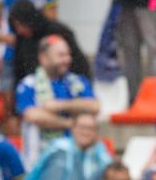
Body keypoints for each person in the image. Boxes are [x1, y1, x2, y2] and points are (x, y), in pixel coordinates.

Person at [15, 35, 98, 168]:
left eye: (68, 55)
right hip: (39, 160)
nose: (67, 59)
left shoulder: (77, 82)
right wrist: (70, 123)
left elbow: (94, 106)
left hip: (74, 160)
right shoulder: (29, 84)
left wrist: (58, 105)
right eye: (61, 55)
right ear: (44, 58)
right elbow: (33, 116)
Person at [7, 0, 88, 84]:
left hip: (63, 84)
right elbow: (19, 71)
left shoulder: (57, 31)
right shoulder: (22, 38)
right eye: (16, 26)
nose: (19, 30)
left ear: (28, 20)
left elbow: (78, 63)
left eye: (21, 25)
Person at [114, 0, 156, 98]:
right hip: (127, 5)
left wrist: (154, 4)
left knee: (153, 52)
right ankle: (133, 97)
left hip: (146, 3)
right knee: (131, 53)